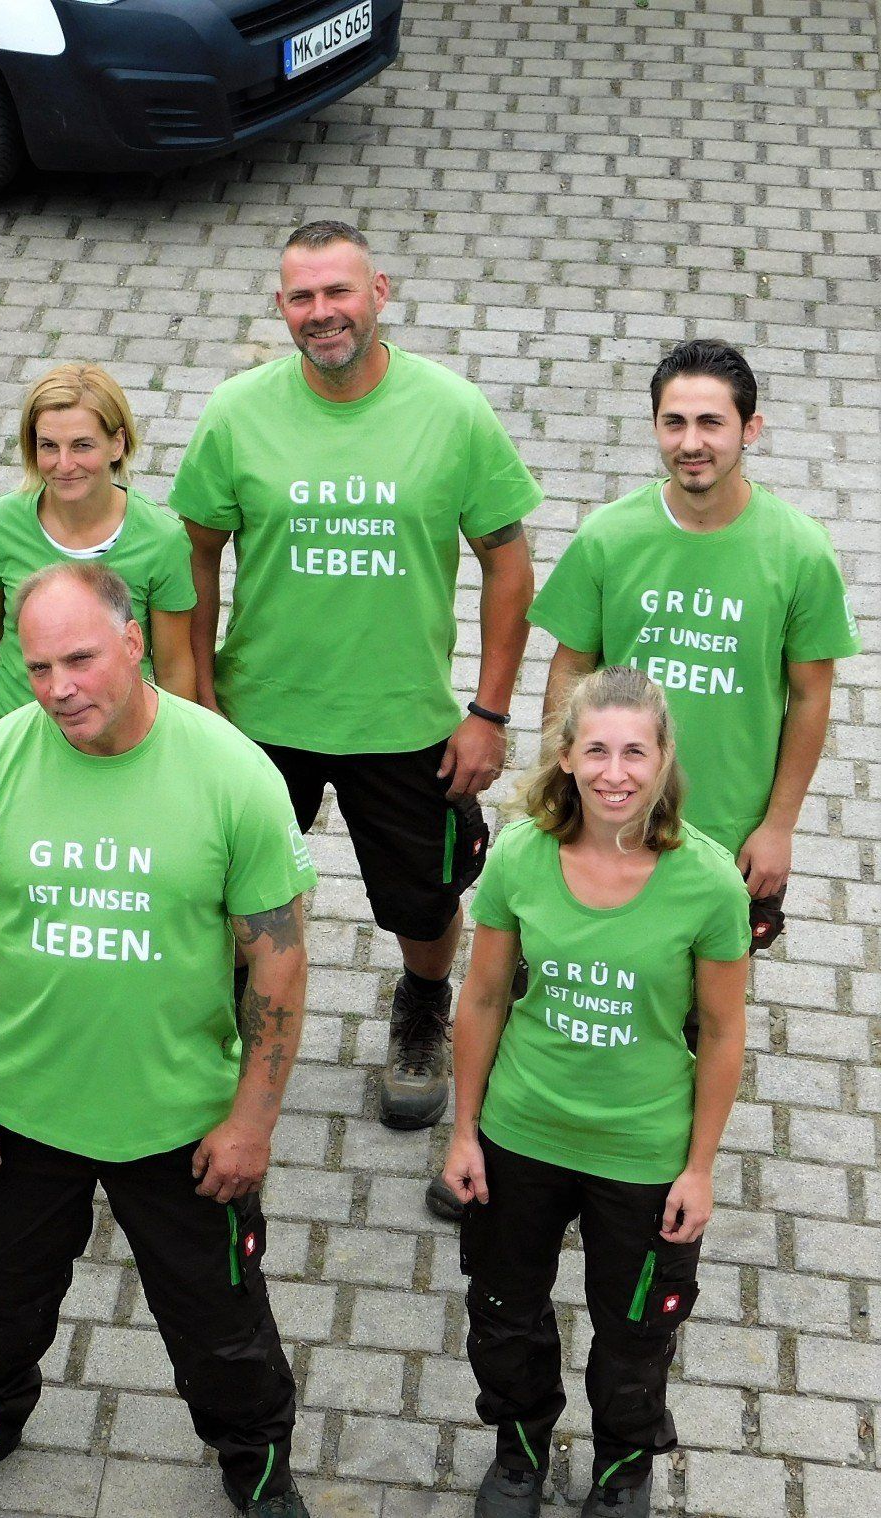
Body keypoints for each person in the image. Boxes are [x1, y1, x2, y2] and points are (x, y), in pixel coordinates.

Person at [0, 562, 318, 1518]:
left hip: (181, 1124)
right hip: (15, 1114)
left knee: (222, 1326)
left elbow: (280, 963)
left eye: (81, 660)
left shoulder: (232, 774)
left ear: (135, 644)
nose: (60, 688)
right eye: (40, 666)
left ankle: (256, 1464)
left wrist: (252, 1123)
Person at [172, 218, 541, 1132]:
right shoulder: (237, 413)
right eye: (302, 297)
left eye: (339, 291)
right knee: (229, 894)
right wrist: (198, 698)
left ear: (379, 294)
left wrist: (489, 712)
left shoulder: (452, 412)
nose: (322, 312)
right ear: (280, 307)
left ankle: (421, 1009)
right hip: (260, 717)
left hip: (405, 720)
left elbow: (508, 563)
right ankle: (219, 1027)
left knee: (425, 901)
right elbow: (194, 559)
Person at [440, 666, 748, 1518]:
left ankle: (622, 1471)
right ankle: (520, 1453)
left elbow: (724, 1034)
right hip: (521, 1133)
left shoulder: (709, 883)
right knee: (503, 1314)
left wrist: (699, 1169)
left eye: (635, 753)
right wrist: (464, 1132)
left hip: (643, 1152)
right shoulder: (521, 857)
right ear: (568, 756)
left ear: (665, 758)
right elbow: (484, 999)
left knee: (636, 1336)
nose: (616, 773)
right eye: (599, 751)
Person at [528, 338, 859, 957]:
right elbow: (570, 666)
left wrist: (779, 826)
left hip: (728, 832)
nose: (690, 443)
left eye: (711, 422)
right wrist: (560, 788)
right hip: (611, 811)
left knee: (706, 1001)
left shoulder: (801, 552)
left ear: (750, 429)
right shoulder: (608, 537)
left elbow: (812, 696)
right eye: (673, 422)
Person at [0, 362, 195, 799]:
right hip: (8, 739)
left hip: (111, 747)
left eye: (82, 445)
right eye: (48, 446)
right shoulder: (1, 523)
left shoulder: (162, 541)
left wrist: (175, 762)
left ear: (117, 444)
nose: (64, 464)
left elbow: (174, 666)